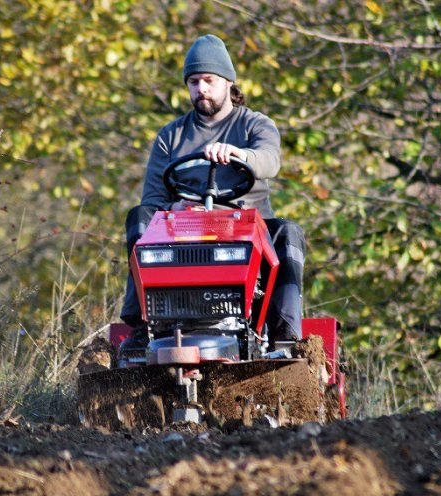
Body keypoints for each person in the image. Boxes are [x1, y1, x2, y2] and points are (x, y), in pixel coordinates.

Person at [120, 34, 305, 345]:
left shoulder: (255, 125)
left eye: (208, 80)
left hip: (245, 226)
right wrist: (169, 210)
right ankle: (143, 325)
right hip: (185, 230)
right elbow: (153, 198)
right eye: (194, 81)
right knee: (141, 217)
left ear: (228, 83)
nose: (201, 88)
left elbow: (269, 161)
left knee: (289, 233)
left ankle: (285, 337)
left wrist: (238, 154)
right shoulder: (171, 136)